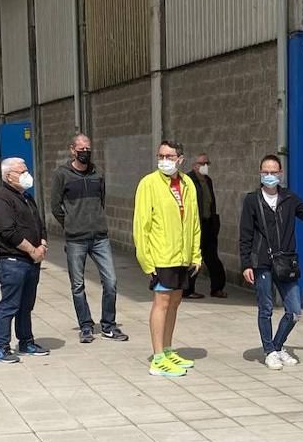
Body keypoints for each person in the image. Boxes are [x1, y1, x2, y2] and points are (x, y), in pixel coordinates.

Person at [239, 153, 303, 370]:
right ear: (260, 173)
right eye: (266, 172)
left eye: (274, 172)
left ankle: (277, 345)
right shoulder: (252, 200)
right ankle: (269, 351)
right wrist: (246, 264)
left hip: (286, 263)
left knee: (294, 310)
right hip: (262, 263)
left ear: (281, 174)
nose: (270, 175)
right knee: (265, 308)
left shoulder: (290, 199)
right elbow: (245, 235)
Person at [49, 133, 128, 344]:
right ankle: (85, 325)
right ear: (72, 150)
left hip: (100, 237)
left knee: (110, 282)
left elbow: (101, 199)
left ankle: (109, 325)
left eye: (88, 148)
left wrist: (95, 221)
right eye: (81, 148)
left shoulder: (97, 173)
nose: (85, 152)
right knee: (77, 285)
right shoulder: (62, 174)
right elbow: (55, 206)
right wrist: (71, 224)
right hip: (76, 239)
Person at [133, 140, 201, 378]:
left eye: (169, 156)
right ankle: (158, 357)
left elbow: (194, 222)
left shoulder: (188, 183)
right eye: (161, 155)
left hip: (181, 256)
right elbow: (141, 226)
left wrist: (196, 254)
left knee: (174, 302)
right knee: (161, 303)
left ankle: (169, 349)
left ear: (180, 159)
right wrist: (146, 261)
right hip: (161, 256)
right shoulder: (149, 184)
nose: (164, 160)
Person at [0, 157, 49, 364]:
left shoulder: (27, 197)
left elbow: (39, 224)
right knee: (10, 305)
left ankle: (26, 341)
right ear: (9, 176)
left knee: (26, 305)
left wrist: (42, 244)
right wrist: (32, 250)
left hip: (32, 261)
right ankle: (2, 346)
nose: (26, 175)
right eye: (21, 172)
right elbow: (8, 231)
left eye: (26, 171)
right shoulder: (1, 198)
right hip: (13, 261)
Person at [183, 153, 227, 300]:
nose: (205, 166)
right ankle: (188, 289)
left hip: (209, 224)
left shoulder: (208, 180)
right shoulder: (188, 180)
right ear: (194, 165)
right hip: (196, 224)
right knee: (195, 258)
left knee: (212, 257)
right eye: (202, 164)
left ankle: (217, 288)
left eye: (207, 163)